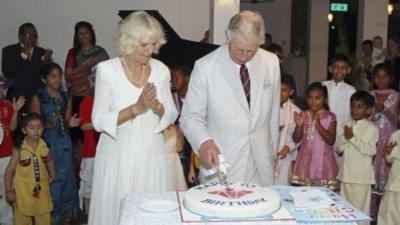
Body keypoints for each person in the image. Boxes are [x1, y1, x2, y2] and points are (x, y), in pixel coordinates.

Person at [88, 11, 178, 225]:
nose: (150, 51)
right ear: (128, 42)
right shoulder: (107, 70)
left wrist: (157, 107)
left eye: (153, 44)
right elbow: (98, 120)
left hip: (151, 154)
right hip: (117, 156)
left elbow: (172, 114)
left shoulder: (161, 70)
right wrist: (135, 109)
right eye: (143, 45)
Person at [180, 10, 281, 186]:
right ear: (228, 36)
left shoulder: (271, 62)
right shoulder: (205, 67)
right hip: (222, 164)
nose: (243, 56)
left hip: (262, 165)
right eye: (239, 49)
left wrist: (272, 154)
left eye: (250, 51)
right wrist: (204, 142)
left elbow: (273, 115)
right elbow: (190, 117)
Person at [30, 62, 80, 225]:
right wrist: (46, 124)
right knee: (53, 179)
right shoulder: (39, 97)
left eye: (59, 76)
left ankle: (66, 217)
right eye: (53, 77)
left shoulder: (66, 96)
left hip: (65, 144)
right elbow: (32, 125)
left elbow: (65, 122)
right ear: (44, 79)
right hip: (48, 145)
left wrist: (70, 123)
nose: (58, 80)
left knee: (67, 179)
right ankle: (51, 217)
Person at [4, 113, 56, 225]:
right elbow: (9, 171)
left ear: (43, 128)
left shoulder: (45, 147)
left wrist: (53, 175)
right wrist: (9, 190)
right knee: (22, 220)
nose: (36, 130)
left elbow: (50, 160)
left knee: (44, 218)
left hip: (42, 192)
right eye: (31, 128)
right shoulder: (19, 149)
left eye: (39, 127)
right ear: (24, 130)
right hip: (23, 193)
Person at [336, 91, 378, 225]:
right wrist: (346, 138)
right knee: (344, 211)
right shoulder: (345, 125)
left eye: (360, 106)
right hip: (346, 175)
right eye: (352, 106)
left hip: (361, 178)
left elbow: (371, 150)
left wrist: (352, 138)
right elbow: (339, 149)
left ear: (369, 110)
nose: (355, 110)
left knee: (360, 212)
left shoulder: (371, 128)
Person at [291, 82, 339, 190]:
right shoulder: (303, 115)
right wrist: (299, 126)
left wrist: (318, 125)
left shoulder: (330, 116)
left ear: (324, 100)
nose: (313, 101)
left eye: (317, 98)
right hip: (305, 160)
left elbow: (331, 140)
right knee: (304, 194)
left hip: (324, 161)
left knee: (323, 197)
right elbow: (296, 139)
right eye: (310, 98)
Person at [369, 63, 400, 219]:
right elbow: (364, 117)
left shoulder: (396, 96)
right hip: (373, 139)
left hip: (390, 138)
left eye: (385, 76)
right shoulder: (369, 94)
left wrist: (384, 110)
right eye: (378, 76)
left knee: (387, 172)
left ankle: (385, 211)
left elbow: (397, 120)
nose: (381, 80)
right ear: (373, 78)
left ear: (391, 78)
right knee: (372, 170)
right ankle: (371, 212)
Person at [2, 23, 52, 112]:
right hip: (16, 99)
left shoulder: (42, 52)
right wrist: (24, 56)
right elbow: (7, 72)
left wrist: (47, 61)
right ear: (20, 36)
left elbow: (47, 76)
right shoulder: (8, 50)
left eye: (35, 35)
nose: (33, 38)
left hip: (37, 100)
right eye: (29, 35)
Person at [322, 54, 356, 166]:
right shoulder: (323, 86)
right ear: (330, 69)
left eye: (343, 68)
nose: (339, 71)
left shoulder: (351, 90)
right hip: (323, 130)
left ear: (348, 70)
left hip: (341, 133)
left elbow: (352, 115)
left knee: (338, 164)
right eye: (336, 67)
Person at [0, 75, 25, 225]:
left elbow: (12, 128)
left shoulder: (7, 105)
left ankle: (9, 221)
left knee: (10, 189)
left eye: (3, 86)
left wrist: (15, 111)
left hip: (8, 155)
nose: (2, 89)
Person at [78, 76, 98, 224]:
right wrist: (104, 122)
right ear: (91, 82)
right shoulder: (87, 101)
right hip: (91, 151)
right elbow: (84, 125)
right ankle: (87, 218)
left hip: (107, 152)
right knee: (88, 187)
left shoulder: (110, 100)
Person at [274, 76, 300, 185]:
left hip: (285, 155)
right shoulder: (266, 108)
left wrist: (288, 148)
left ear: (291, 92)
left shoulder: (295, 111)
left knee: (282, 186)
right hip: (268, 154)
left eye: (284, 90)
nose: (280, 93)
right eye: (277, 89)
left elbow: (299, 137)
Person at [377, 127, 400, 225]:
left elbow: (394, 152)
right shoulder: (396, 134)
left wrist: (394, 151)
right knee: (386, 218)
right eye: (399, 114)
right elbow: (389, 159)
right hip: (392, 183)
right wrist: (388, 152)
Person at [163, 124, 187, 191]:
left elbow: (179, 148)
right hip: (158, 162)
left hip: (173, 163)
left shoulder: (175, 127)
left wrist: (181, 134)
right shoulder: (150, 126)